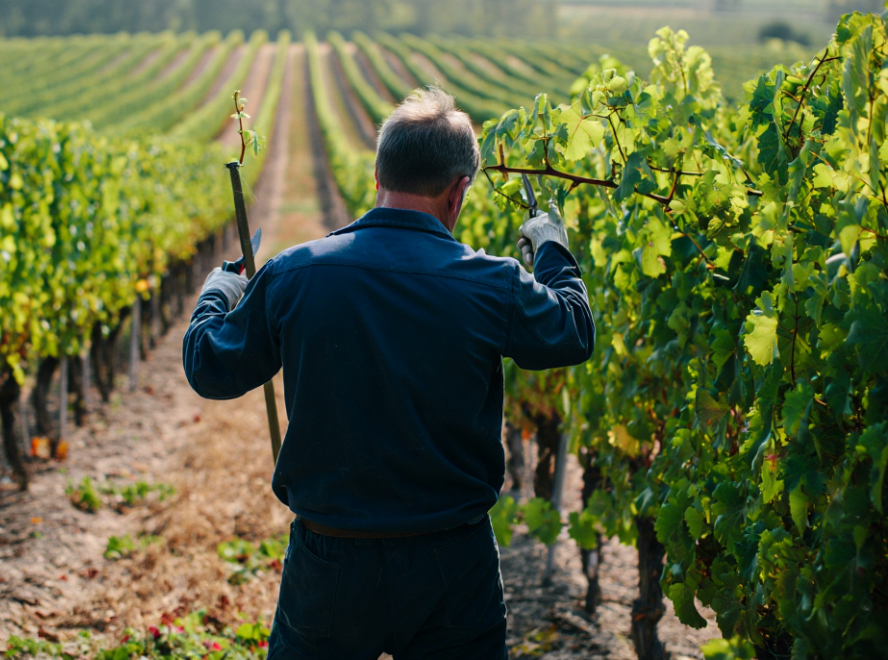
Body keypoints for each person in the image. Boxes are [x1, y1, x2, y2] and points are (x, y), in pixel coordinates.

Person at [182, 87, 594, 659]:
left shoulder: (295, 274)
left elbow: (209, 367)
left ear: (377, 174)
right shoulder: (493, 283)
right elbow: (574, 331)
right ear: (459, 192)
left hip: (330, 561)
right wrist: (550, 249)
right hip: (454, 563)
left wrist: (217, 293)